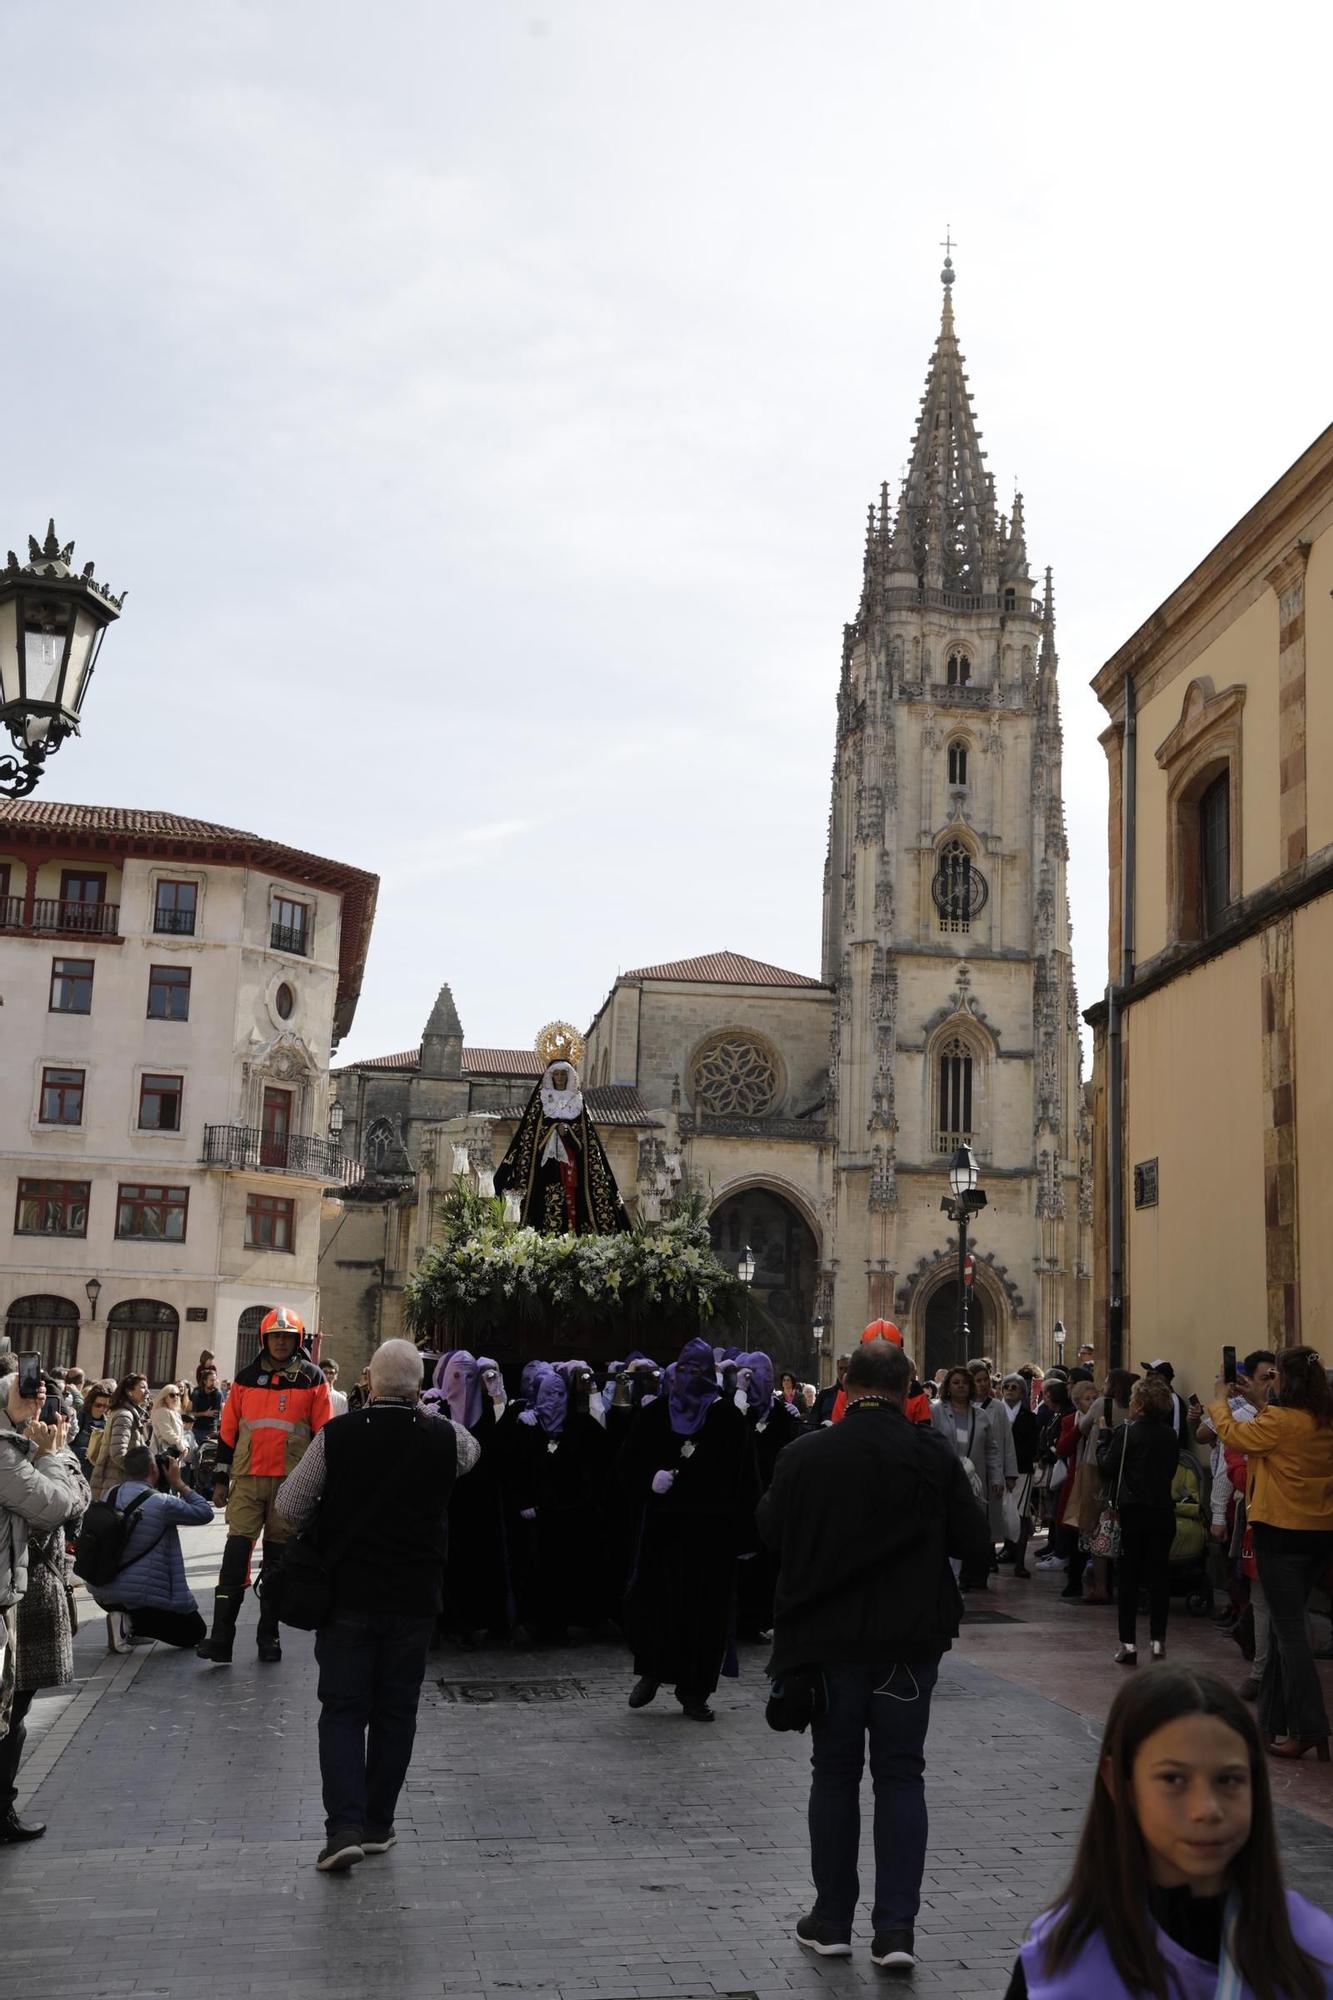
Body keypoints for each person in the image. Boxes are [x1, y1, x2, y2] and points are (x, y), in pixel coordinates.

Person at [758, 1339, 990, 1971]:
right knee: (900, 1775)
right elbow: (976, 1543)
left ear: (846, 1382)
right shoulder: (930, 1454)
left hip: (828, 1643)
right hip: (908, 1643)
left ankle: (832, 1918)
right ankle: (896, 1932)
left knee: (833, 1775)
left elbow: (769, 1533)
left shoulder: (805, 1454)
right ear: (908, 1387)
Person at [274, 1337, 478, 1873]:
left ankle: (343, 1825)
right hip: (414, 1600)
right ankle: (378, 1824)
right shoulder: (442, 1440)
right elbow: (472, 1450)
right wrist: (429, 1412)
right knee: (396, 1712)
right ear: (420, 1387)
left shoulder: (337, 1436)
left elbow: (290, 1505)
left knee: (343, 1710)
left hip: (348, 1597)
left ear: (367, 1379)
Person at [1006, 1666, 1333, 1999]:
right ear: (1117, 1780)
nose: (1206, 1809)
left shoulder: (1316, 1954)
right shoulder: (1061, 1965)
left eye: (1229, 1779)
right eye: (1174, 1779)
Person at [619, 1335, 760, 1722]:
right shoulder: (654, 1415)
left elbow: (747, 1479)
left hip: (710, 1537)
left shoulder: (728, 1420)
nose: (687, 1378)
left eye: (696, 1371)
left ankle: (694, 1690)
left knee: (705, 1614)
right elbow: (628, 1463)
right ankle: (651, 1672)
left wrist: (746, 1536)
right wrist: (650, 1479)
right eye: (682, 1369)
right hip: (663, 1532)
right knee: (655, 1605)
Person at [1208, 1346, 1333, 1762]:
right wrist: (1260, 1401)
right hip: (1318, 1532)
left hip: (1280, 1533)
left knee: (1291, 1635)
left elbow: (1235, 1435)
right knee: (1284, 1631)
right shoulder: (1322, 1419)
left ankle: (1312, 1727)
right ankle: (1271, 1723)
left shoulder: (1280, 1421)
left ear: (1286, 1379)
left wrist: (1219, 1400)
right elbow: (1279, 1429)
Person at [197, 1306, 332, 1666]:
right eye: (276, 1336)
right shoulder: (245, 1378)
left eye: (288, 1337)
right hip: (247, 1481)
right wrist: (221, 1481)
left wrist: (321, 1488)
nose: (281, 1343)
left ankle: (268, 1636)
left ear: (297, 1340)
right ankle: (221, 1638)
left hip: (291, 1486)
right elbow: (227, 1433)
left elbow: (323, 1436)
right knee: (234, 1557)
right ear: (265, 1339)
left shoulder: (312, 1378)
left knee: (277, 1564)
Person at [0, 1355, 87, 1842]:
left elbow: (75, 1508)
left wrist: (53, 1454)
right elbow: (59, 1506)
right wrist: (54, 1455)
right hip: (14, 1593)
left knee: (15, 1710)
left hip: (26, 1587)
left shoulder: (17, 1446)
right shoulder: (6, 1452)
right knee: (8, 1712)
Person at [90, 1446, 215, 1652]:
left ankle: (124, 1622)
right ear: (153, 1469)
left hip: (102, 1586)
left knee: (135, 1595)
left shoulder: (111, 1493)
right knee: (195, 1632)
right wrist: (178, 1483)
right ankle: (129, 1624)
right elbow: (204, 1512)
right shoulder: (162, 1503)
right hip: (137, 1594)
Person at [1097, 1377, 1180, 1665]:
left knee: (1129, 1580)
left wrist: (1103, 1437)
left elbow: (1107, 1465)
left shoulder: (1127, 1432)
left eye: (1133, 1400)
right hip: (1162, 1512)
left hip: (1132, 1513)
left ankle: (1128, 1645)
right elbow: (1169, 1471)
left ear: (1141, 1404)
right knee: (1159, 1579)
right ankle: (1158, 1642)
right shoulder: (1170, 1435)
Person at [931, 1367, 1002, 1588]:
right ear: (948, 1388)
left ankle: (971, 1575)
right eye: (956, 1382)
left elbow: (991, 1448)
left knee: (972, 1525)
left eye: (964, 1383)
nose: (961, 1386)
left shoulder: (980, 1415)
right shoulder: (936, 1412)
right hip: (946, 1476)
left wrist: (997, 1477)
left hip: (975, 1480)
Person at [998, 1373, 1039, 1577]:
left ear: (1023, 1392)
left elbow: (1031, 1446)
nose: (1010, 1389)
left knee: (1021, 1516)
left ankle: (1020, 1562)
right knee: (997, 1514)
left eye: (1015, 1387)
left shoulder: (1029, 1418)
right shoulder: (995, 1414)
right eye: (1007, 1386)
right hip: (998, 1470)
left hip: (1022, 1471)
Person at [92, 1374, 150, 1500]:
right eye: (142, 1387)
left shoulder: (129, 1413)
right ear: (129, 1392)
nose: (147, 1392)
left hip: (118, 1482)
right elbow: (118, 1453)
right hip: (113, 1482)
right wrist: (138, 1473)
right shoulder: (124, 1416)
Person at [71, 1382, 110, 1476]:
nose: (102, 1409)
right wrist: (86, 1452)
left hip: (97, 1475)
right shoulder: (80, 1418)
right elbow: (66, 1446)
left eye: (105, 1406)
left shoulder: (108, 1423)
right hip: (79, 1472)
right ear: (90, 1403)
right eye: (98, 1405)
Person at [148, 1384, 190, 1460]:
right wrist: (182, 1446)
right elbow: (167, 1433)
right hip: (163, 1454)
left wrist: (185, 1446)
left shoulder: (175, 1412)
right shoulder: (162, 1411)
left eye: (177, 1394)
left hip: (174, 1453)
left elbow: (180, 1434)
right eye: (172, 1395)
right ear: (165, 1397)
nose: (176, 1397)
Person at [813, 1354, 850, 1426]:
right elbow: (813, 1421)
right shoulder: (825, 1394)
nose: (843, 1372)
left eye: (847, 1369)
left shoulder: (859, 1395)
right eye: (840, 1368)